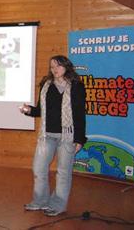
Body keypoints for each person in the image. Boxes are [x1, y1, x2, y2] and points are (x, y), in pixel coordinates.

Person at [20, 55, 86, 217]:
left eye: (58, 66)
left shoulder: (76, 86)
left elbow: (79, 114)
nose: (54, 70)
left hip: (67, 137)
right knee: (38, 168)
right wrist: (28, 110)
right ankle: (40, 201)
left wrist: (79, 139)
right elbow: (40, 110)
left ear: (66, 67)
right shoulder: (46, 85)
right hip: (47, 135)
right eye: (52, 67)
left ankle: (58, 205)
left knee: (63, 172)